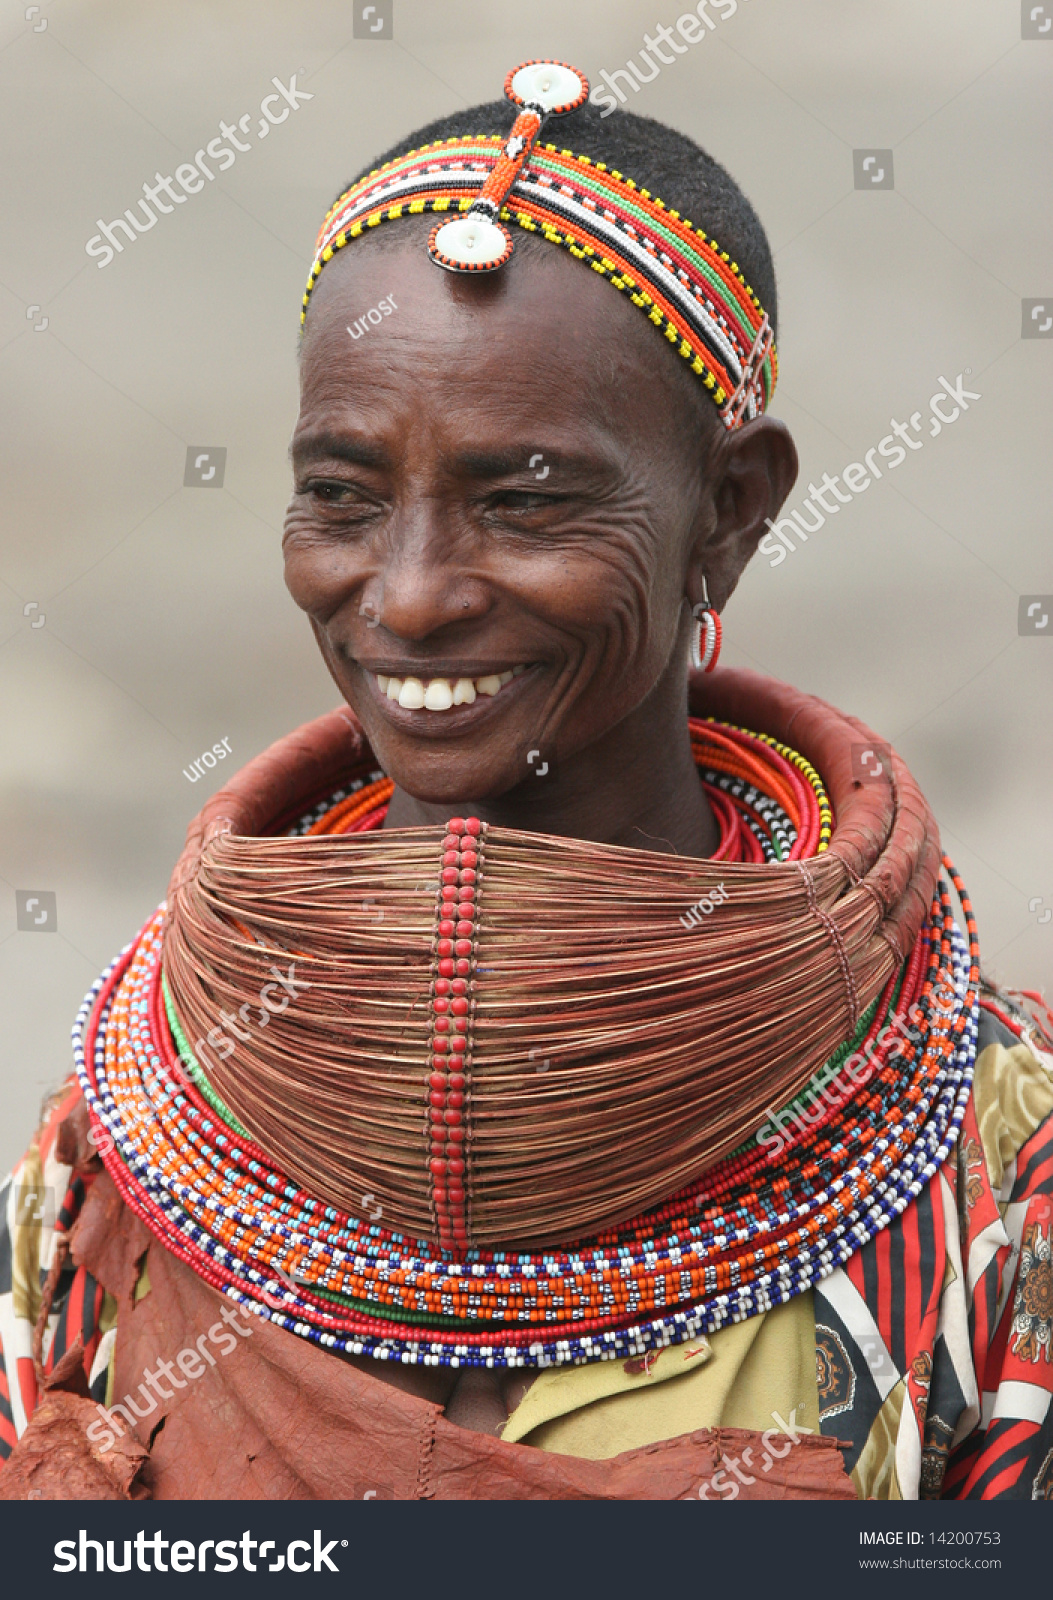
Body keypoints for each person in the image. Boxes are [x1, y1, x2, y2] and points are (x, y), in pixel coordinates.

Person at [2, 60, 1051, 1503]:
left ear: (731, 513)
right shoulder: (126, 1132)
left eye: (531, 498)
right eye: (343, 495)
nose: (413, 596)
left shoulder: (988, 1168)